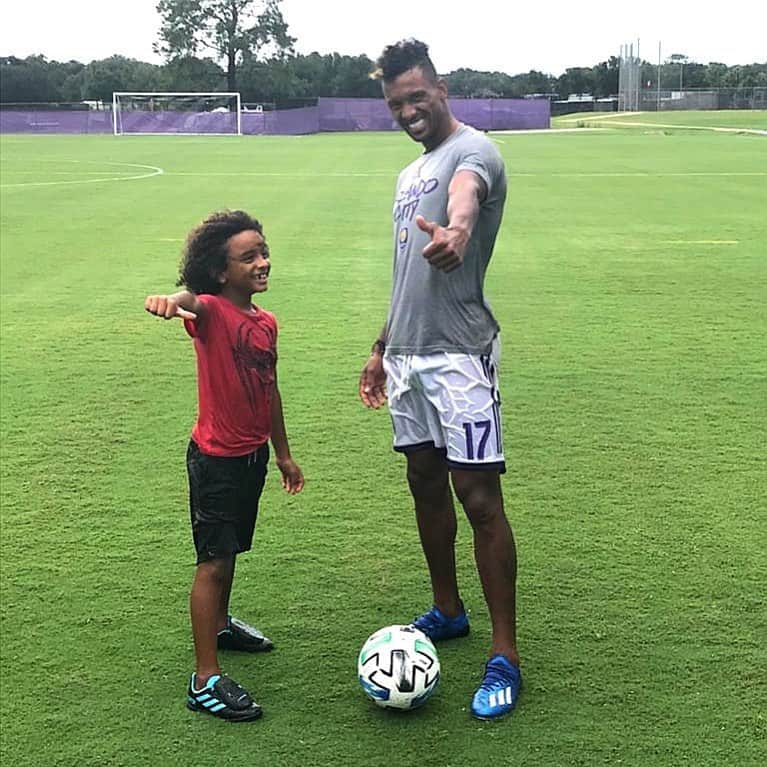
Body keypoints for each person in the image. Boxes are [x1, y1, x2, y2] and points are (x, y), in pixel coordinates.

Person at [359, 39, 521, 721]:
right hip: (407, 356)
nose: (407, 111)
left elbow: (464, 201)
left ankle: (504, 655)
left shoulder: (472, 153)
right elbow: (406, 277)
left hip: (457, 354)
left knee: (476, 495)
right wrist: (380, 346)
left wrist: (457, 231)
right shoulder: (407, 173)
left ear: (442, 89)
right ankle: (447, 610)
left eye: (415, 97)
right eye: (396, 103)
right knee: (422, 479)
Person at [145, 210, 304, 722]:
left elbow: (269, 388)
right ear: (220, 270)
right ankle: (205, 678)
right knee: (213, 561)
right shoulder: (210, 310)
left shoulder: (266, 321)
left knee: (231, 549)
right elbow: (191, 302)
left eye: (263, 252)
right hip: (215, 460)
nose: (263, 262)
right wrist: (172, 301)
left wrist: (281, 452)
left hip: (252, 455)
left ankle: (218, 626)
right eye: (249, 257)